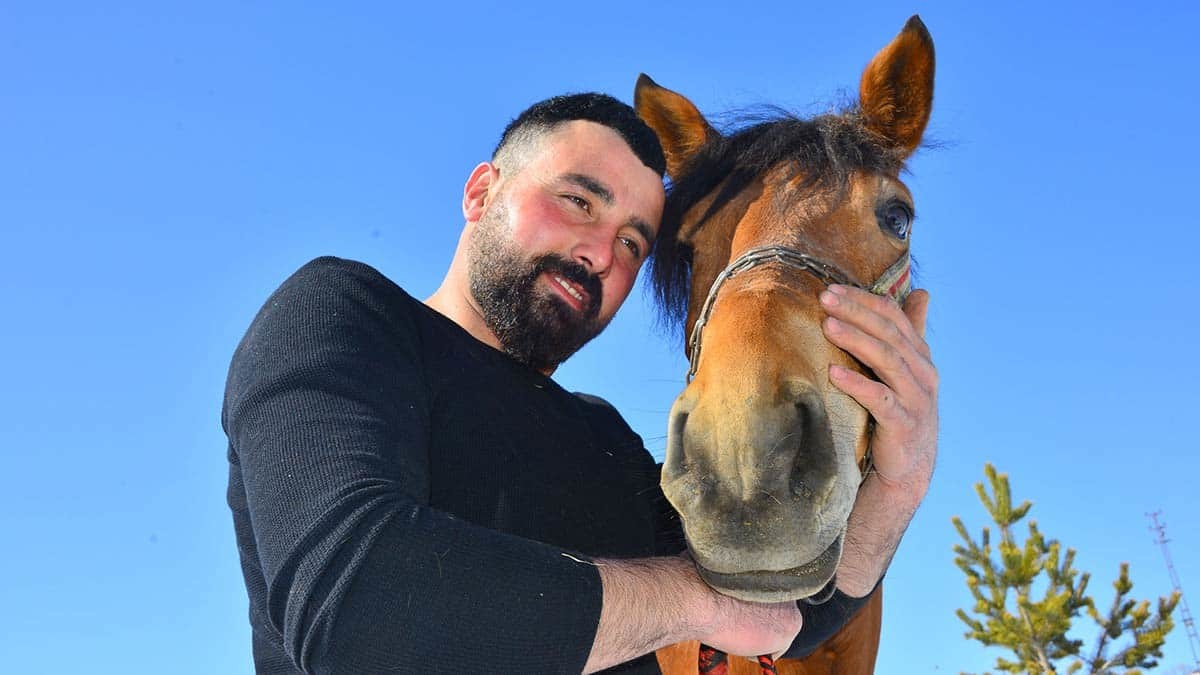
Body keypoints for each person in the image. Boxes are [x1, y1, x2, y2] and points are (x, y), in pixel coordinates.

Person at [223, 92, 938, 674]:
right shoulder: (344, 314)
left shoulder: (606, 439)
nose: (600, 252)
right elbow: (360, 613)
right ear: (481, 192)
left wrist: (899, 485)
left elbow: (791, 618)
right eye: (579, 201)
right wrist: (691, 602)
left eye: (632, 241)